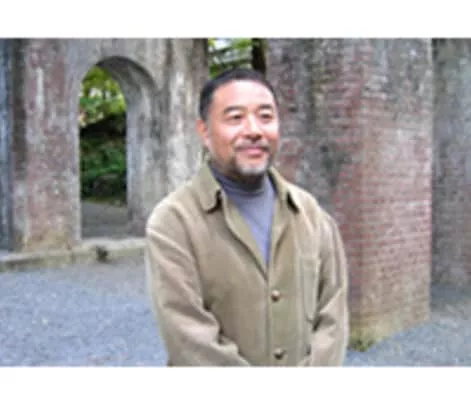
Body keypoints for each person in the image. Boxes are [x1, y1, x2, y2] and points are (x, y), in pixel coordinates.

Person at [145, 68, 349, 366]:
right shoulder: (174, 222)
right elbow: (188, 336)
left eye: (265, 117)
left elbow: (333, 317)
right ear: (204, 131)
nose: (254, 130)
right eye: (235, 118)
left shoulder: (311, 214)